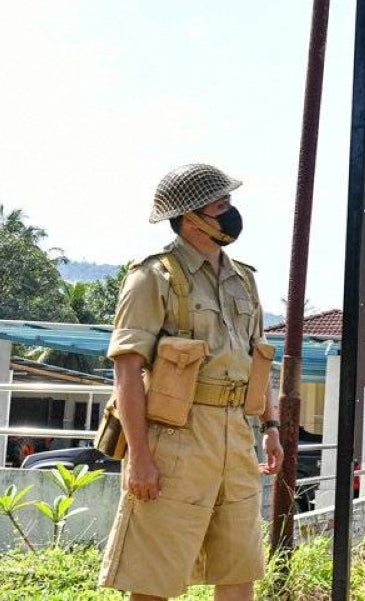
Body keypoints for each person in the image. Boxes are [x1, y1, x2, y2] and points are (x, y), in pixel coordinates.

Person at [99, 163, 283, 601]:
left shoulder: (244, 279)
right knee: (154, 574)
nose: (230, 213)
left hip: (236, 437)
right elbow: (127, 371)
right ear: (190, 217)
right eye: (220, 206)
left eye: (229, 203)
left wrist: (270, 426)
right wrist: (140, 458)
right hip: (174, 439)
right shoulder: (152, 277)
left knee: (239, 568)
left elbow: (257, 358)